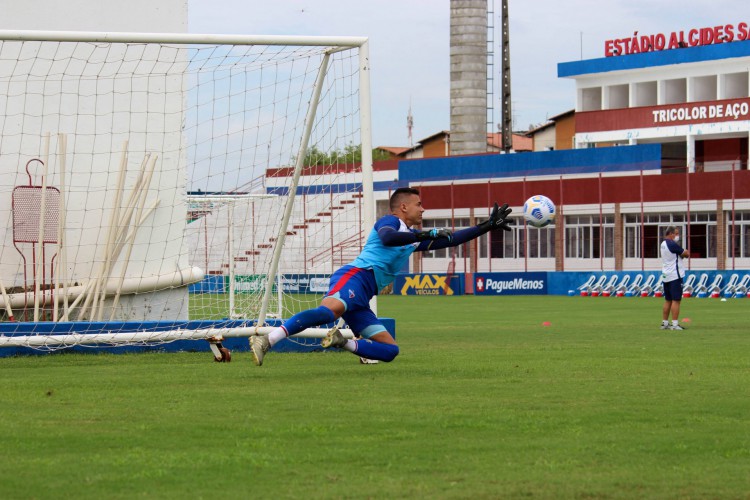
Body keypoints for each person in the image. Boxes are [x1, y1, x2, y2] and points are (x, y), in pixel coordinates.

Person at [250, 187, 512, 366]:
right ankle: (268, 339)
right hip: (355, 277)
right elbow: (388, 237)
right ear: (404, 206)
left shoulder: (410, 239)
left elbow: (452, 239)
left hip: (364, 296)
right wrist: (423, 235)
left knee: (390, 351)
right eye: (419, 205)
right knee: (328, 312)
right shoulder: (389, 221)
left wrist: (487, 226)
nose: (424, 210)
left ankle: (342, 342)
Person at [660, 226, 690, 330]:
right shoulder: (672, 244)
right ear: (671, 234)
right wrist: (685, 252)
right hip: (675, 275)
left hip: (666, 275)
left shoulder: (663, 244)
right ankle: (675, 324)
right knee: (676, 300)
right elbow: (685, 253)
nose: (677, 236)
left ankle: (665, 323)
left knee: (668, 300)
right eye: (676, 234)